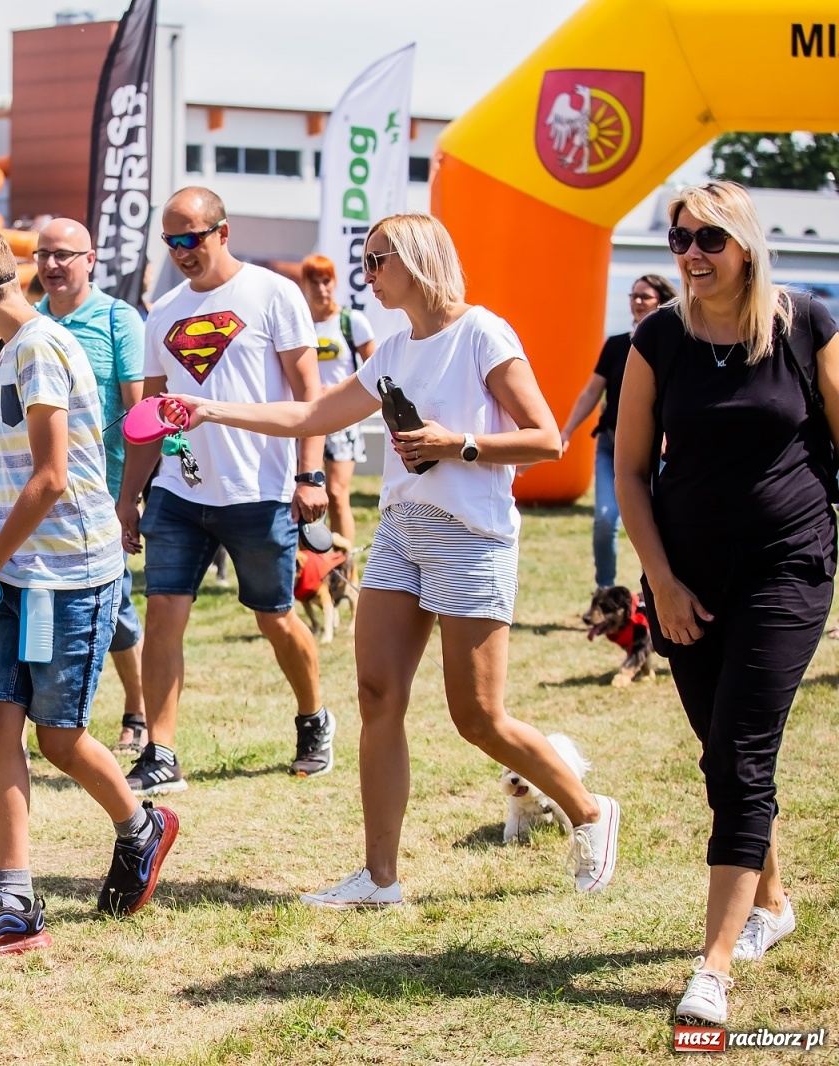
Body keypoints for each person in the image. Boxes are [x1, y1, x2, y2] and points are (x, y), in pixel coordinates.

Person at [171, 212, 621, 906]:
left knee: (478, 718)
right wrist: (209, 410)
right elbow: (312, 416)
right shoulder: (391, 349)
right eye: (366, 262)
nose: (367, 275)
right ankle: (380, 879)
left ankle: (588, 810)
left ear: (415, 259)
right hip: (403, 530)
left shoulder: (482, 333)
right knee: (378, 697)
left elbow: (545, 440)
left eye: (377, 261)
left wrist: (456, 444)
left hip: (470, 535)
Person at [612, 182, 837, 1027]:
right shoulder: (658, 336)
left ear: (745, 243)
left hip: (789, 567)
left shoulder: (805, 323)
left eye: (709, 238)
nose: (692, 254)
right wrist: (662, 581)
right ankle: (771, 904)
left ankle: (711, 969)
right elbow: (631, 470)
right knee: (720, 754)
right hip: (687, 579)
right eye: (679, 240)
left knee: (742, 756)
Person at [0, 227, 177, 960]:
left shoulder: (38, 348)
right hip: (12, 570)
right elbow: (14, 473)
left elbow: (51, 478)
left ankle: (141, 825)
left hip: (67, 576)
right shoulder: (14, 350)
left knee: (58, 737)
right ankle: (14, 900)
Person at [116, 187, 333, 797]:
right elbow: (150, 417)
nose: (182, 251)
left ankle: (314, 717)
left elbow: (308, 396)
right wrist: (131, 496)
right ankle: (162, 753)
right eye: (171, 241)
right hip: (179, 494)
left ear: (222, 232)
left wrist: (309, 475)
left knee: (276, 618)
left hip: (258, 490)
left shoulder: (273, 294)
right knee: (164, 617)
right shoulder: (164, 312)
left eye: (192, 238)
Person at [34, 217, 149, 754]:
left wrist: (134, 494)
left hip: (101, 495)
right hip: (39, 494)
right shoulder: (29, 322)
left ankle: (138, 708)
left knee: (116, 609)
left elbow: (138, 411)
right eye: (44, 255)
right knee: (33, 603)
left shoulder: (117, 319)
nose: (52, 265)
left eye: (64, 255)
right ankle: (41, 715)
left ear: (89, 259)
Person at [559, 273, 677, 590]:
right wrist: (566, 431)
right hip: (612, 445)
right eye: (633, 296)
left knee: (658, 525)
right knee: (605, 519)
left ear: (662, 302)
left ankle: (653, 590)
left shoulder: (674, 345)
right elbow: (591, 393)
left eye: (645, 296)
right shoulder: (616, 345)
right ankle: (606, 591)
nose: (637, 302)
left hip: (660, 451)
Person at [300, 253, 376, 545]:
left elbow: (375, 367)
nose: (321, 288)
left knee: (336, 492)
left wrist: (342, 393)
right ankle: (310, 569)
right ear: (304, 284)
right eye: (315, 281)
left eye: (327, 280)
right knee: (305, 489)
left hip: (343, 418)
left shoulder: (351, 321)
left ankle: (343, 566)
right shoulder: (299, 322)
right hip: (306, 417)